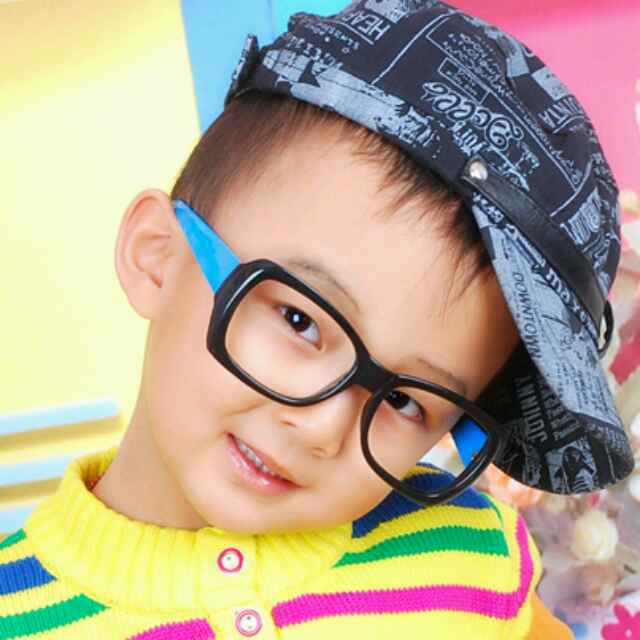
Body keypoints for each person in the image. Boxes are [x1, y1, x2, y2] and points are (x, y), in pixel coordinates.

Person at [0, 1, 633, 638]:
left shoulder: (471, 560)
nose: (325, 428)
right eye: (300, 321)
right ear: (158, 255)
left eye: (405, 401)